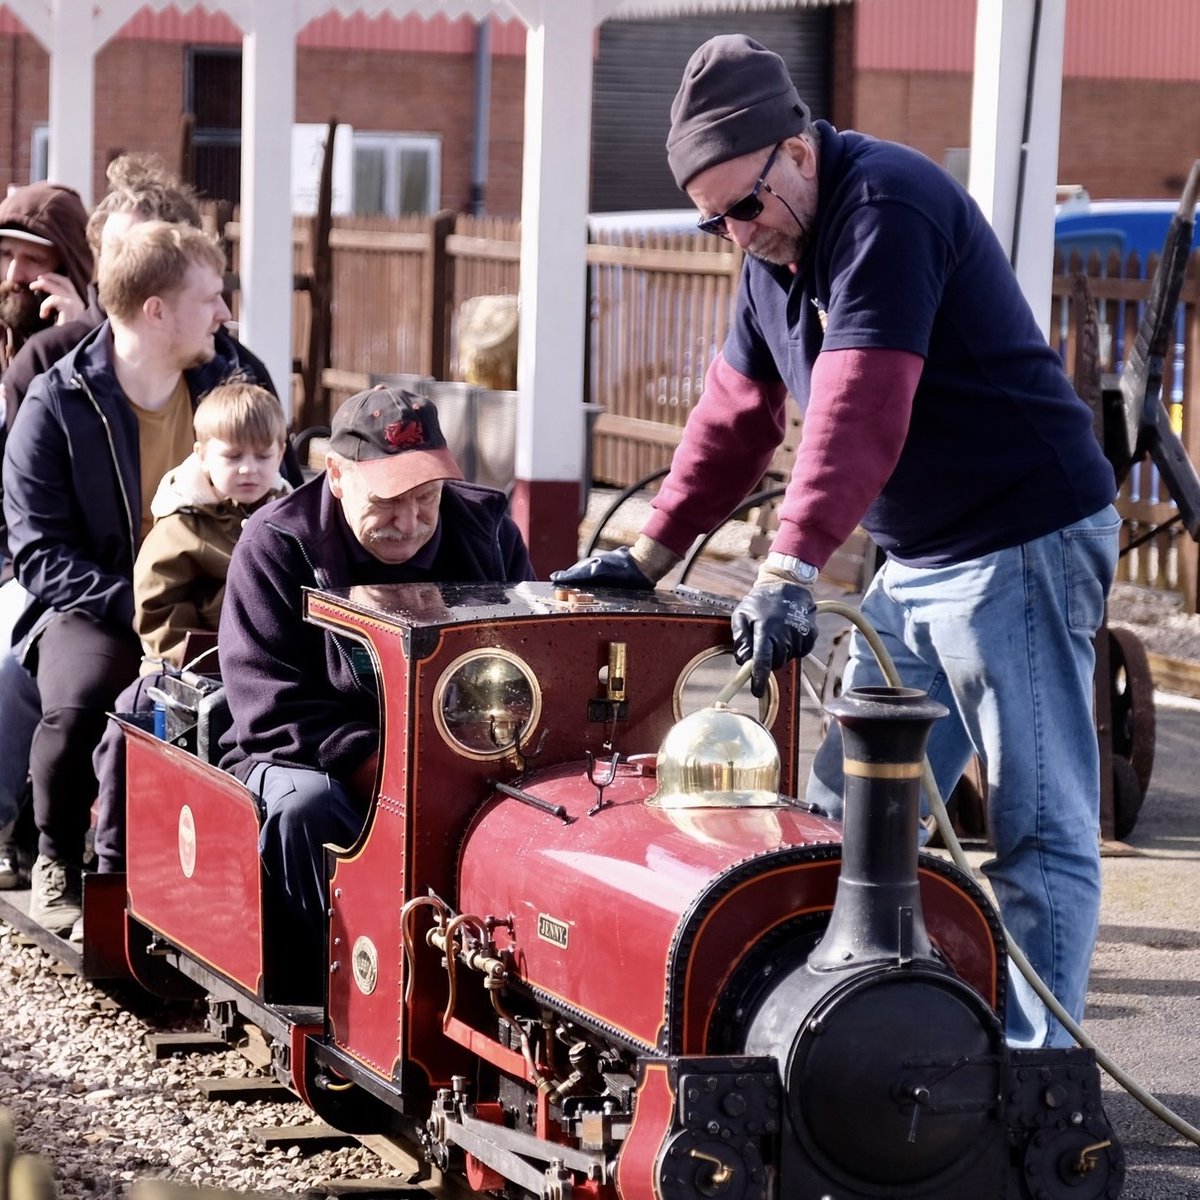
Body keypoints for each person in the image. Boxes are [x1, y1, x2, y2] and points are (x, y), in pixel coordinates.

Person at [550, 34, 1120, 1049]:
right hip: (922, 556)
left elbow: (860, 408)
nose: (736, 232)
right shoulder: (769, 253)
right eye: (714, 218)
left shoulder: (886, 208)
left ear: (801, 152)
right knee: (845, 813)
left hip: (1019, 540)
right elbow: (735, 417)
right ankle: (863, 1045)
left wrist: (788, 568)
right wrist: (648, 551)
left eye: (745, 205)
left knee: (1036, 828)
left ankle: (1044, 1081)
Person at [0, 157, 302, 894]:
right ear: (158, 310)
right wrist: (142, 607)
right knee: (79, 703)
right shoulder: (58, 398)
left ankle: (241, 874)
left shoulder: (235, 379)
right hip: (99, 605)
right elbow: (39, 553)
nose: (225, 313)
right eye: (210, 298)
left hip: (227, 598)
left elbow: (287, 495)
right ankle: (58, 858)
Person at [218, 384, 534, 995]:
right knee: (304, 808)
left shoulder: (490, 531)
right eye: (388, 502)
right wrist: (392, 775)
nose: (409, 523)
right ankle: (329, 988)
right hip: (315, 758)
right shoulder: (276, 543)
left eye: (426, 498)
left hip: (462, 752)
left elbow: (528, 661)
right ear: (337, 476)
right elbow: (270, 708)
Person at [90, 381, 291, 877]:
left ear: (282, 452)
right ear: (202, 455)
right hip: (189, 668)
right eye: (233, 456)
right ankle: (114, 860)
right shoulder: (182, 524)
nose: (249, 469)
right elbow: (156, 603)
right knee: (131, 720)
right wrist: (187, 658)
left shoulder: (290, 521)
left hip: (266, 669)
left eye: (263, 455)